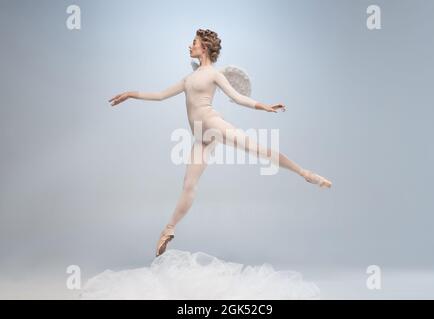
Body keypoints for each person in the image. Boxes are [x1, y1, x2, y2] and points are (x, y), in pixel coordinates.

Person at [108, 28, 332, 257]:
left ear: (203, 47)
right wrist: (130, 94)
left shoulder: (213, 74)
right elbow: (159, 95)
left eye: (193, 42)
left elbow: (237, 97)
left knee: (258, 149)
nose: (190, 46)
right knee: (188, 185)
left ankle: (305, 173)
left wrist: (263, 105)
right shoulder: (188, 79)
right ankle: (168, 230)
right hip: (201, 137)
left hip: (214, 125)